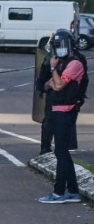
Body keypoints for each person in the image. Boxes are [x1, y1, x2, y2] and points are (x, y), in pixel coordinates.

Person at [38, 28, 86, 204]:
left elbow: (57, 86)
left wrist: (53, 70)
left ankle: (59, 193)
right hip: (57, 109)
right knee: (62, 151)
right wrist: (54, 78)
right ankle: (73, 190)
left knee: (61, 151)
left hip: (66, 111)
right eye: (57, 46)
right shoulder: (60, 63)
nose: (59, 49)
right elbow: (46, 85)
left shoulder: (75, 64)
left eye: (62, 45)